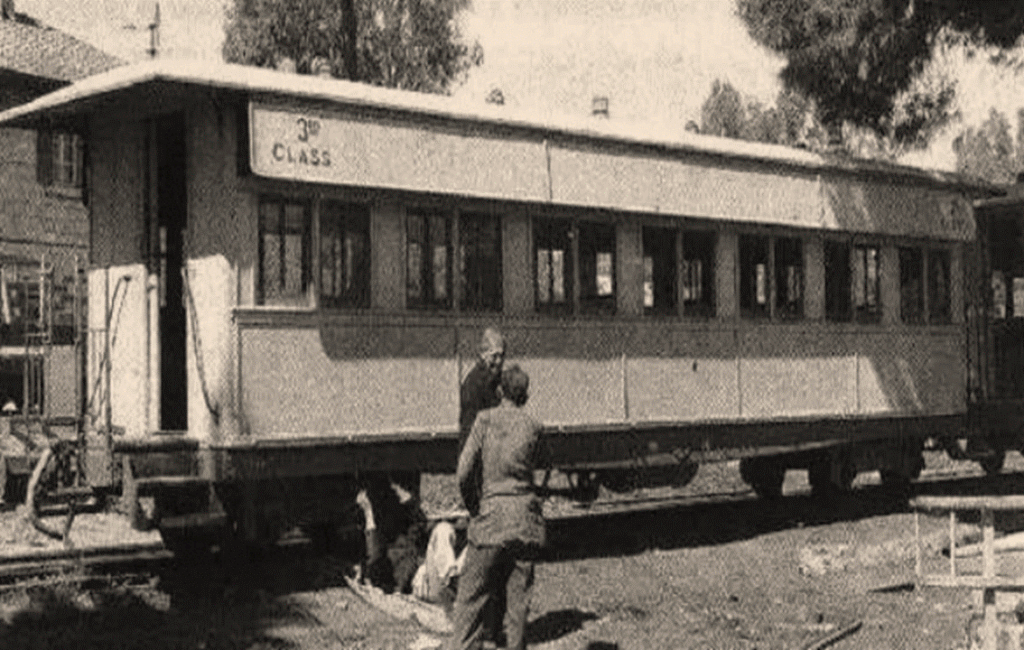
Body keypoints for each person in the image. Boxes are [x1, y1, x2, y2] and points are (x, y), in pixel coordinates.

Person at [447, 365, 545, 650]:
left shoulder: (484, 421)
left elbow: (463, 472)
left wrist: (475, 506)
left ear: (500, 391)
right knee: (518, 604)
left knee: (470, 599)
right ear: (525, 395)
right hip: (524, 522)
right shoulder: (534, 427)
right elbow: (541, 469)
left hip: (490, 520)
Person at [459, 327, 505, 456]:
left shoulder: (492, 380)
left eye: (502, 356)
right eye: (494, 356)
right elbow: (471, 431)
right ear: (484, 355)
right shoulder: (475, 384)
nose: (499, 361)